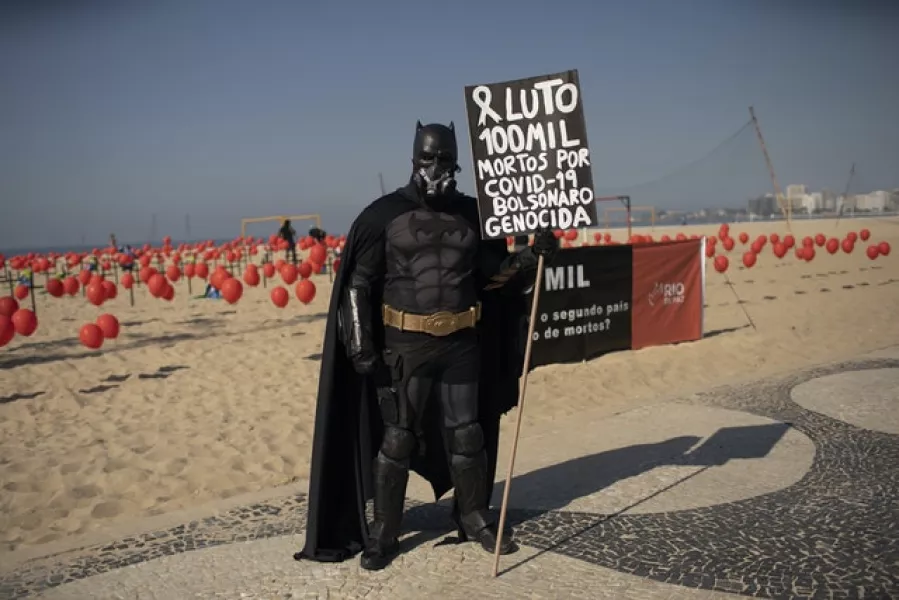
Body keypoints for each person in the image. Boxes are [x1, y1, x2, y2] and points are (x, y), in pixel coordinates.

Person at [297, 120, 557, 571]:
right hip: (405, 344)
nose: (436, 166)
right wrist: (360, 344)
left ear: (456, 160)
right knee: (396, 438)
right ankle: (384, 531)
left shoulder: (475, 216)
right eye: (427, 157)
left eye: (443, 158)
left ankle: (473, 515)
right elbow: (358, 282)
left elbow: (496, 280)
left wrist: (534, 258)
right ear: (414, 158)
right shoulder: (384, 216)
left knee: (467, 434)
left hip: (462, 342)